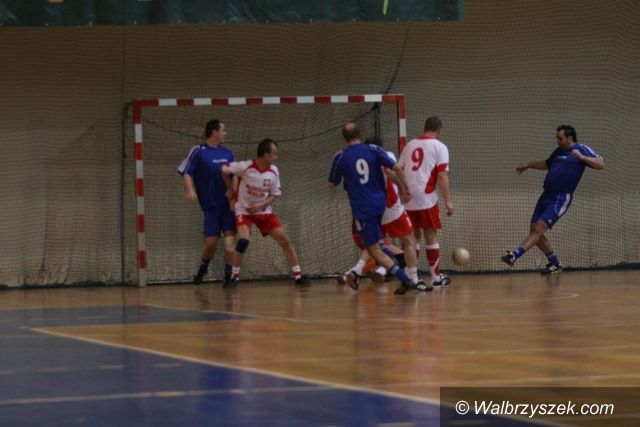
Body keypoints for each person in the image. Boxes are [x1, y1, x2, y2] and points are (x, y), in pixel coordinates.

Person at [328, 123, 423, 295]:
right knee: (378, 244)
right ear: (360, 134)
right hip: (381, 203)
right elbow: (394, 169)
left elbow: (332, 183)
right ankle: (362, 272)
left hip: (363, 208)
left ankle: (405, 279)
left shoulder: (341, 156)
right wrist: (405, 188)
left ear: (344, 138)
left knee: (374, 248)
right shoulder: (374, 150)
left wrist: (349, 180)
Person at [501, 125, 605, 273]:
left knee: (538, 229)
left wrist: (582, 157)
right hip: (546, 195)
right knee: (534, 230)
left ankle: (514, 255)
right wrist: (528, 165)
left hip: (560, 197)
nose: (557, 141)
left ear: (569, 138)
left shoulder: (581, 148)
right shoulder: (559, 151)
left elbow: (601, 164)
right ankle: (555, 263)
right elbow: (546, 164)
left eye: (560, 138)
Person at [221, 138, 311, 287]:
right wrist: (230, 189)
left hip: (263, 211)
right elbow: (224, 169)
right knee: (243, 241)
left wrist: (259, 206)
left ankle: (298, 276)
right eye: (274, 154)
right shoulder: (245, 166)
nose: (276, 157)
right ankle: (234, 277)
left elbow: (275, 194)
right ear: (266, 154)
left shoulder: (274, 171)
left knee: (284, 239)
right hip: (244, 211)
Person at [177, 119, 236, 286]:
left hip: (228, 205)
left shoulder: (228, 153)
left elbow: (235, 175)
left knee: (230, 239)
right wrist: (190, 190)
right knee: (211, 242)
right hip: (210, 205)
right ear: (214, 132)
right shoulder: (198, 151)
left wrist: (233, 193)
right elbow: (185, 171)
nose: (225, 133)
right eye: (223, 130)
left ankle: (229, 275)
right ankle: (202, 269)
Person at [397, 116, 453, 287]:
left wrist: (403, 189)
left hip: (409, 197)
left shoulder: (409, 145)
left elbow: (398, 168)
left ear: (425, 127)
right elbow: (442, 175)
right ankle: (436, 278)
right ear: (439, 131)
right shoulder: (439, 147)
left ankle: (412, 277)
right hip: (426, 197)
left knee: (412, 238)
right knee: (430, 236)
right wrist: (448, 201)